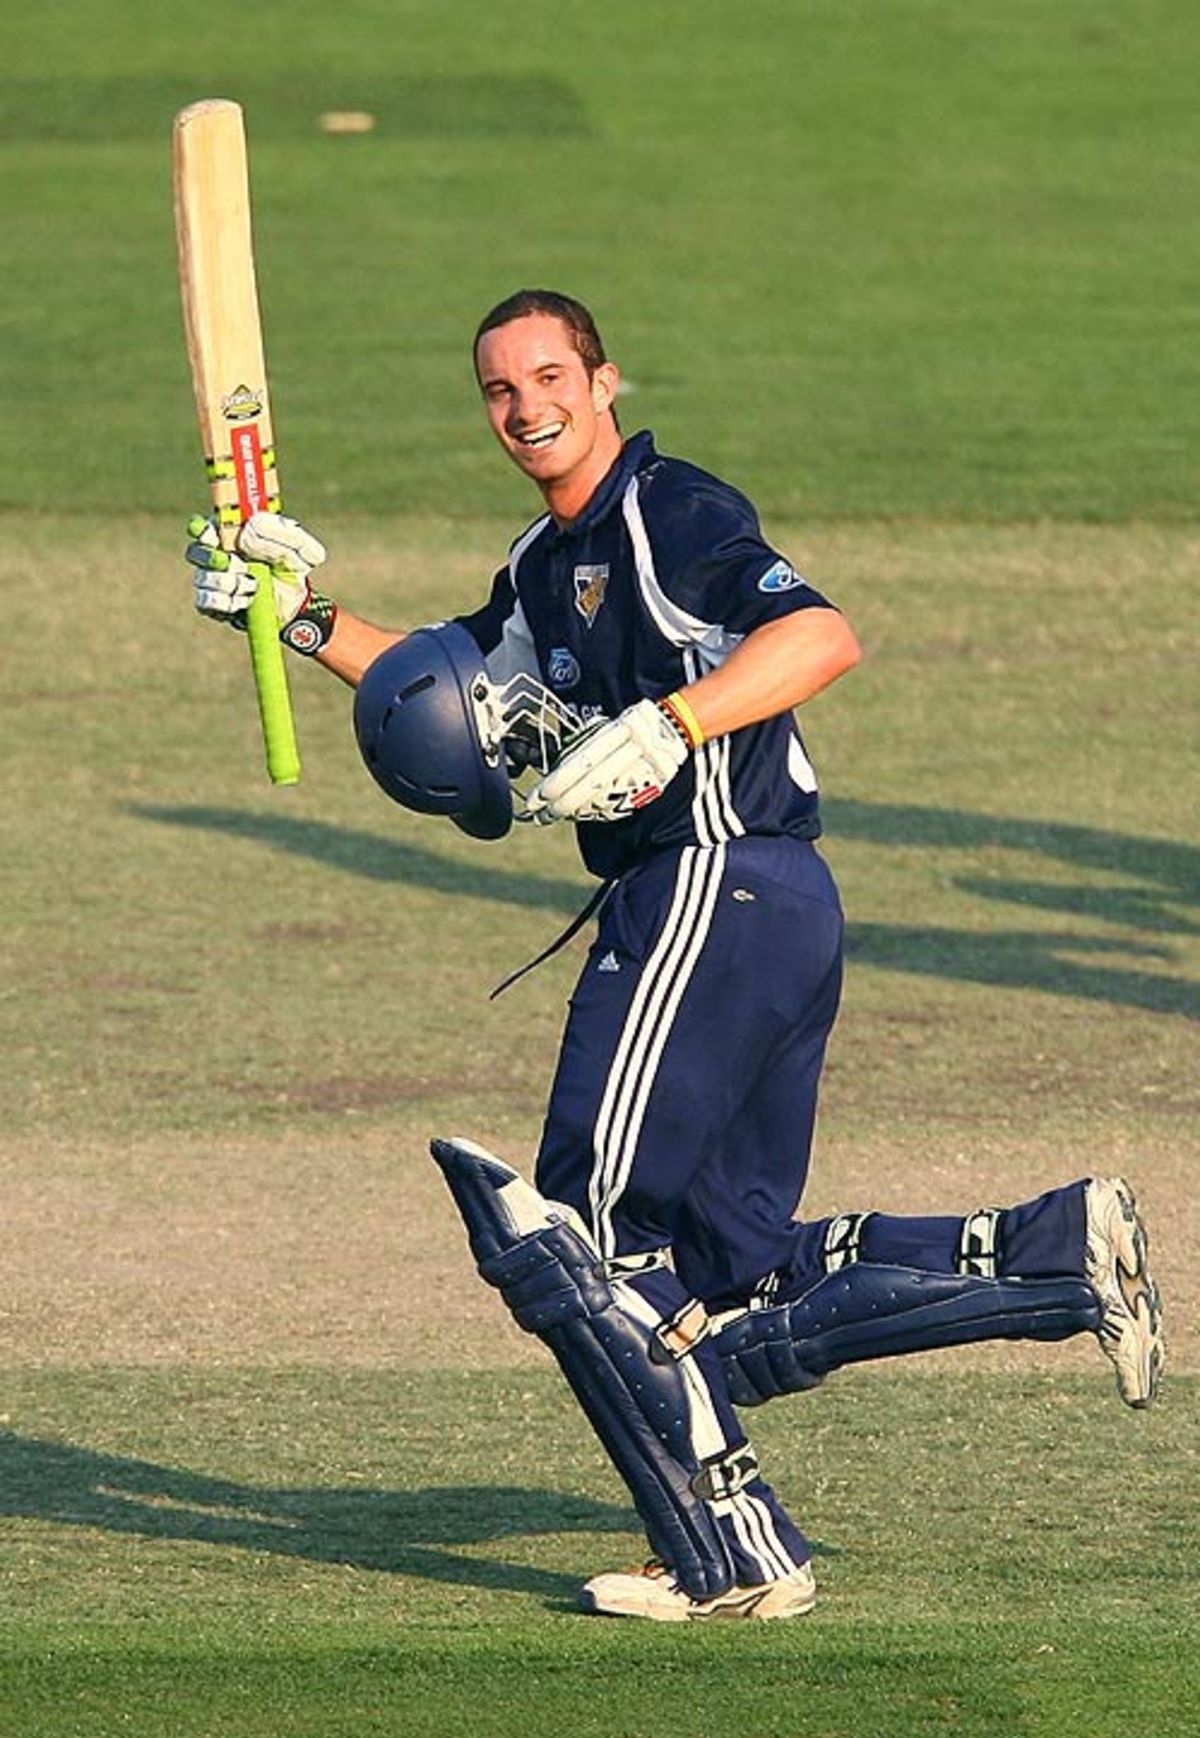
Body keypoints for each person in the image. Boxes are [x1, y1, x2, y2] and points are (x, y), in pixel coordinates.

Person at [187, 289, 1165, 1623]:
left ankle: (736, 1550)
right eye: (499, 390)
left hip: (713, 882)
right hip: (766, 908)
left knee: (575, 1237)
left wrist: (672, 722)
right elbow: (449, 695)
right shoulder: (547, 561)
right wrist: (296, 615)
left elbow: (821, 634)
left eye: (549, 377)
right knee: (728, 1275)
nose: (527, 406)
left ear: (602, 380)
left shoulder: (666, 512)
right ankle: (1060, 1251)